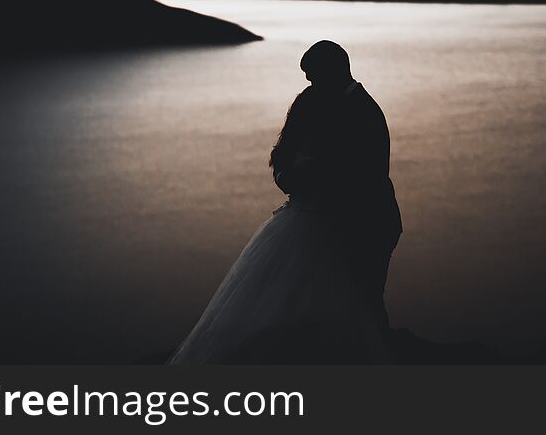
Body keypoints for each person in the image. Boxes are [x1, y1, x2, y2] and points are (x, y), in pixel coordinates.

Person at [168, 41, 402, 363]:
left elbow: (365, 176)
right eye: (307, 77)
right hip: (316, 218)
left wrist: (315, 183)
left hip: (365, 224)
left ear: (335, 70)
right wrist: (287, 177)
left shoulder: (364, 112)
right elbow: (284, 150)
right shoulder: (313, 101)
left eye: (313, 75)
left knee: (363, 304)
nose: (309, 83)